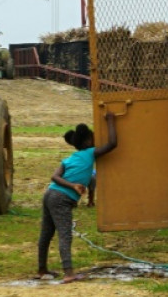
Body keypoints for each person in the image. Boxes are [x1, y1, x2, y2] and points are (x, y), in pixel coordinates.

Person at [36, 112, 118, 283]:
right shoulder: (90, 153)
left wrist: (71, 185)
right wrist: (111, 120)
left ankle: (41, 269)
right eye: (93, 137)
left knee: (46, 234)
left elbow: (54, 177)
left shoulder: (70, 158)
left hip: (50, 194)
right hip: (61, 199)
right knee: (65, 235)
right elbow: (112, 143)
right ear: (88, 141)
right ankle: (68, 273)